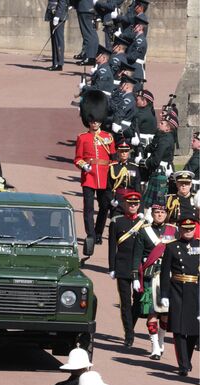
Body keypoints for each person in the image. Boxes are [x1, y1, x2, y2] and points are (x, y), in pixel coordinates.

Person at [131, 199, 176, 358]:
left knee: (166, 313)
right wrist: (135, 277)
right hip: (150, 274)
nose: (160, 215)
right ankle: (155, 346)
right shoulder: (144, 231)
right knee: (152, 312)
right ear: (153, 214)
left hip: (168, 276)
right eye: (157, 212)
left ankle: (162, 340)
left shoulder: (173, 231)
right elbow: (136, 257)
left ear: (166, 214)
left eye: (163, 212)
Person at [74, 90, 115, 255]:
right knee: (88, 208)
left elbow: (113, 158)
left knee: (104, 206)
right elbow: (77, 158)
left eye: (97, 120)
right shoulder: (82, 138)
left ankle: (98, 232)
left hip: (104, 175)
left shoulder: (108, 137)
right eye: (92, 120)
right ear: (88, 120)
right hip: (89, 177)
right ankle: (90, 235)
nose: (95, 123)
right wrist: (84, 166)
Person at [160, 215, 199, 376]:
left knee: (194, 331)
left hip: (196, 290)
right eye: (185, 229)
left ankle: (186, 359)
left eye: (191, 229)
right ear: (180, 230)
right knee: (179, 328)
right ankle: (183, 364)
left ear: (195, 229)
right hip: (177, 289)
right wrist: (164, 294)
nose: (188, 232)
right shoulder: (172, 247)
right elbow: (165, 272)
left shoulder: (199, 245)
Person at [108, 191, 145, 347]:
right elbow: (111, 247)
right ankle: (129, 335)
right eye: (130, 203)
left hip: (139, 268)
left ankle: (131, 326)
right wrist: (112, 267)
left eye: (135, 204)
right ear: (125, 204)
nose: (133, 206)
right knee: (125, 303)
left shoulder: (144, 223)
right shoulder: (117, 221)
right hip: (122, 266)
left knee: (137, 302)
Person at [138, 115, 177, 209]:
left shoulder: (165, 140)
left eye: (162, 123)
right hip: (159, 172)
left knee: (155, 205)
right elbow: (153, 147)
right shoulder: (163, 137)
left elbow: (156, 160)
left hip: (159, 173)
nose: (159, 124)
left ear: (168, 128)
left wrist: (143, 162)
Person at [107, 141, 141, 214]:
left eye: (126, 151)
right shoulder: (113, 167)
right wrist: (111, 200)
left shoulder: (134, 168)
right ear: (118, 152)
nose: (124, 153)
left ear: (129, 152)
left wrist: (140, 210)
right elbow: (109, 187)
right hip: (117, 199)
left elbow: (138, 188)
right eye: (121, 151)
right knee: (115, 221)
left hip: (131, 200)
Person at [125, 14, 148, 89]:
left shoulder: (140, 40)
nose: (133, 27)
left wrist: (122, 55)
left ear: (140, 27)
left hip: (136, 71)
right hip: (133, 69)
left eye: (135, 25)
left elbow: (133, 56)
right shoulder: (136, 39)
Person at [73, 0, 98, 66]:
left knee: (87, 34)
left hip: (84, 8)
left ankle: (89, 57)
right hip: (89, 8)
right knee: (91, 33)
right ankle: (92, 56)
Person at [44, 0, 68, 71]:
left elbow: (62, 1)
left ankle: (59, 63)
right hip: (52, 13)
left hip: (58, 15)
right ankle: (55, 63)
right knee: (54, 41)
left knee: (58, 40)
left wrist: (57, 15)